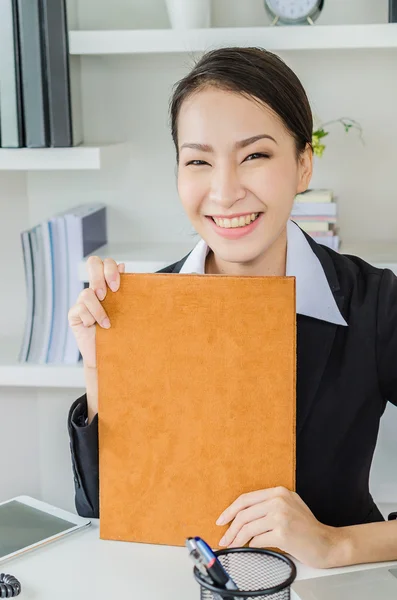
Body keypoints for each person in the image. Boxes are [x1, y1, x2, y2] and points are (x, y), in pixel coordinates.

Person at [67, 47, 397, 569]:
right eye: (198, 160)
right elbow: (105, 507)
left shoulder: (372, 302)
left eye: (255, 156)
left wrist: (337, 543)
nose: (224, 192)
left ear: (303, 164)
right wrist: (100, 365)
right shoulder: (150, 305)